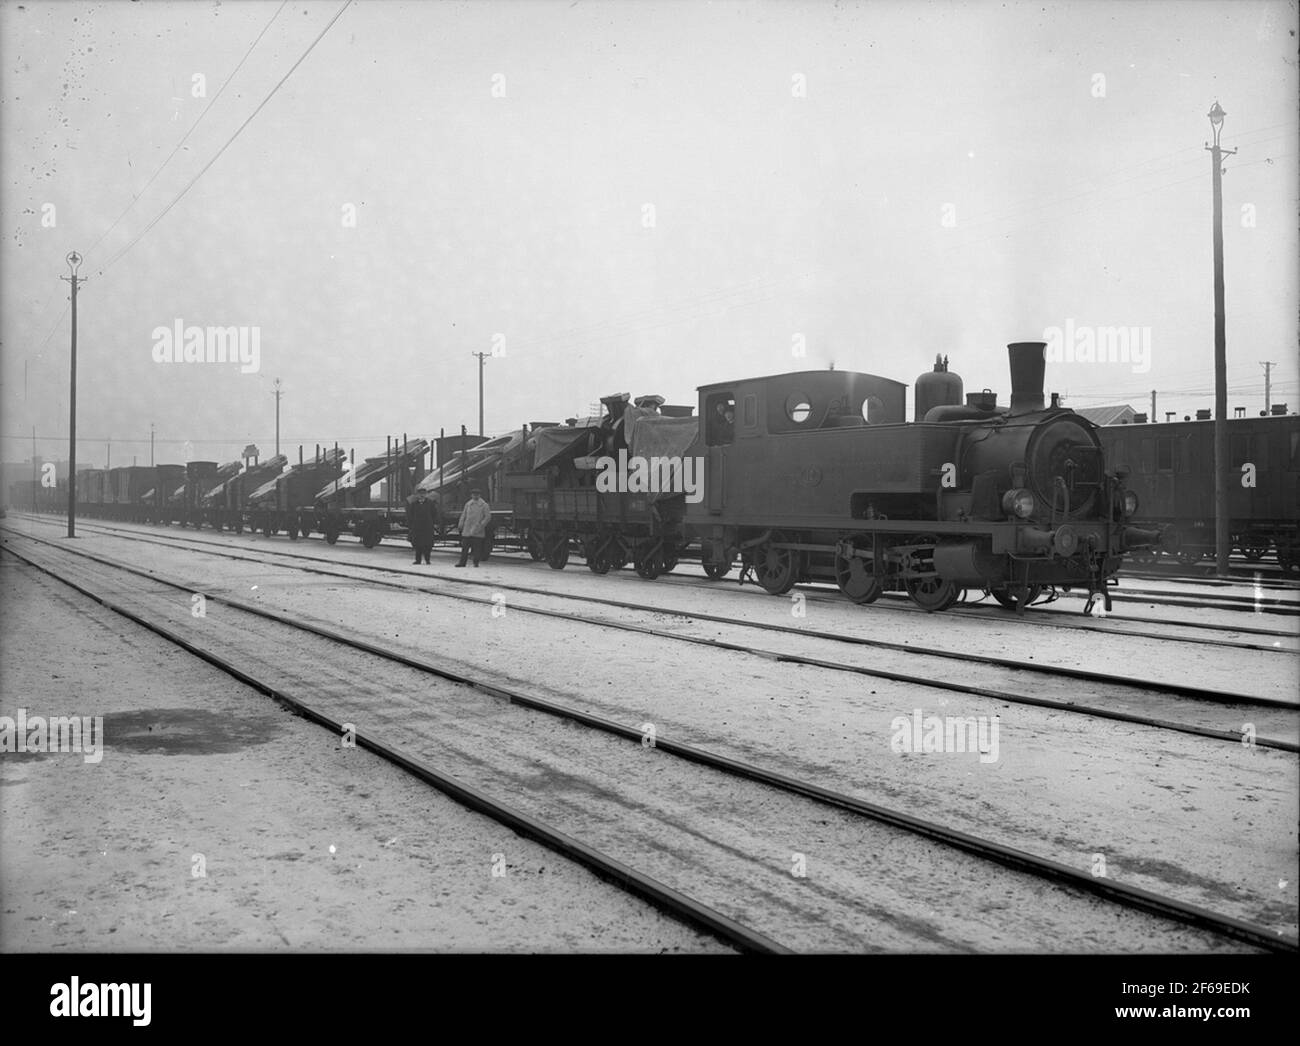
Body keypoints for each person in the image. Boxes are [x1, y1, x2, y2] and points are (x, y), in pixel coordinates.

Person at [456, 488, 492, 567]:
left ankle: (476, 562)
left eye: (477, 494)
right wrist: (461, 523)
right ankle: (462, 563)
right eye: (474, 494)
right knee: (465, 547)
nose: (475, 496)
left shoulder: (484, 505)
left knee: (477, 548)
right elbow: (464, 515)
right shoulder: (468, 504)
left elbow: (487, 517)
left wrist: (481, 525)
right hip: (467, 529)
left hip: (477, 529)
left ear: (479, 495)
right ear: (471, 495)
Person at [406, 489, 437, 564]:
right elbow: (410, 515)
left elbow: (434, 514)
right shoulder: (413, 504)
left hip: (427, 527)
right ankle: (418, 560)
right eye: (420, 494)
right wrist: (411, 526)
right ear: (417, 495)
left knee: (427, 545)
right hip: (417, 528)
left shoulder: (430, 503)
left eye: (423, 494)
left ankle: (427, 560)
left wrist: (432, 523)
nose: (422, 495)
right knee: (417, 544)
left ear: (426, 494)